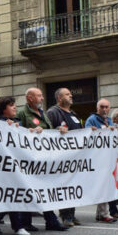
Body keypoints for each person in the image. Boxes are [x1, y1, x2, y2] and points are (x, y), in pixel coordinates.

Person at [16, 87, 68, 232]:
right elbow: (16, 133)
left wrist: (58, 130)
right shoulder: (22, 113)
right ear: (30, 98)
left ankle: (50, 221)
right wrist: (31, 132)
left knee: (44, 190)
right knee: (30, 190)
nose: (42, 98)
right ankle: (29, 222)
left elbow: (49, 130)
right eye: (39, 95)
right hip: (29, 159)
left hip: (44, 159)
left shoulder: (43, 113)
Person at [0, 96, 30, 235]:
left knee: (11, 194)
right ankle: (4, 224)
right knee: (7, 194)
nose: (15, 107)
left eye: (14, 105)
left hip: (14, 163)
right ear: (3, 109)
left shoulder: (17, 122)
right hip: (0, 165)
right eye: (11, 105)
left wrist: (34, 132)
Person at [46, 87, 83, 226]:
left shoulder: (74, 114)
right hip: (61, 157)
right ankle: (65, 216)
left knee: (72, 186)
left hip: (74, 157)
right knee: (65, 186)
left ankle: (71, 215)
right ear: (59, 98)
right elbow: (46, 131)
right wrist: (57, 130)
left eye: (70, 94)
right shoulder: (53, 112)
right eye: (67, 94)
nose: (71, 96)